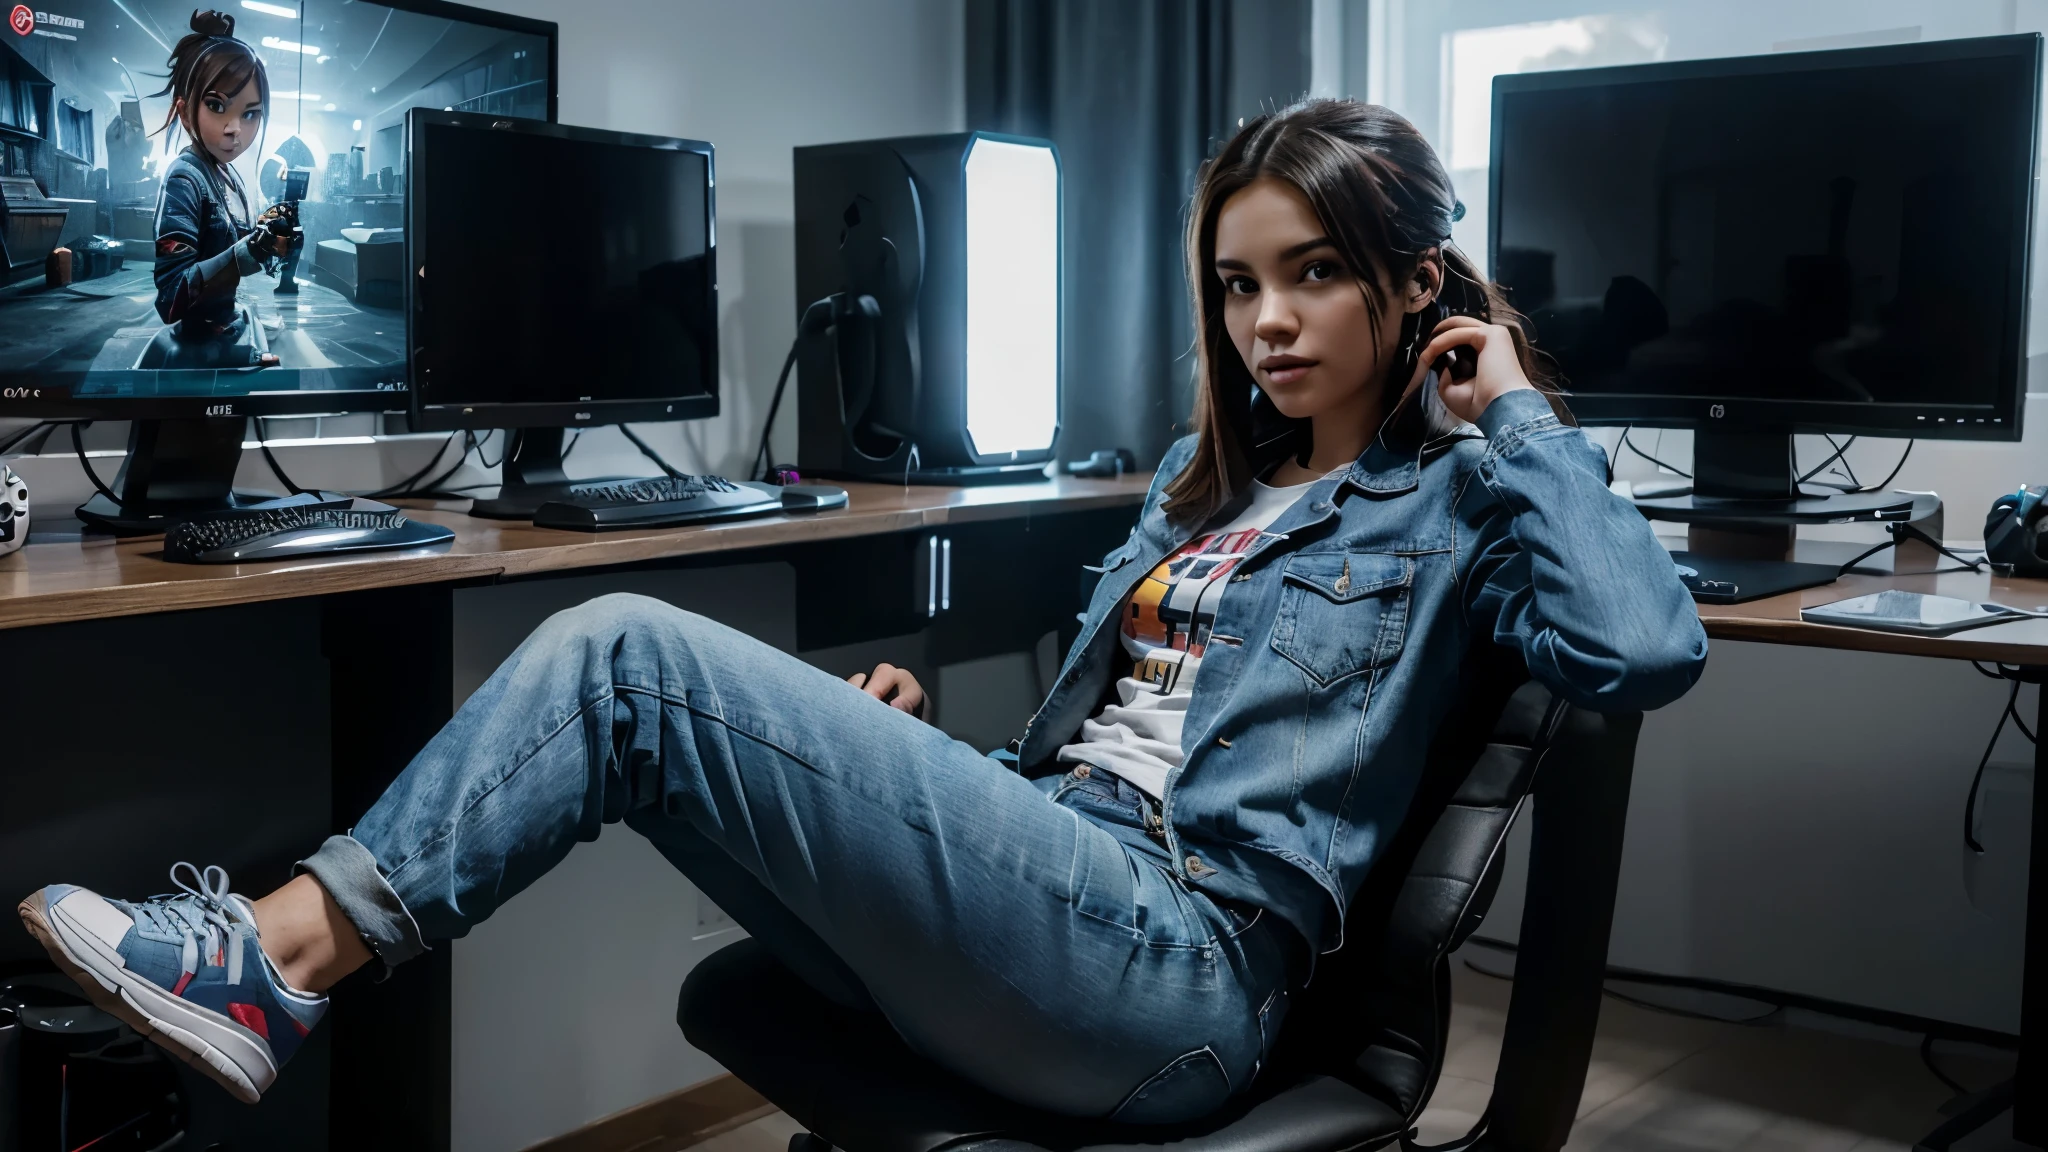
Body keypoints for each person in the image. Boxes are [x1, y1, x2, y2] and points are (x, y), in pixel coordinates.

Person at [18, 99, 1707, 1124]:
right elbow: (1122, 751)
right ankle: (274, 965)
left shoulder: (1458, 507)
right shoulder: (1199, 501)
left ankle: (275, 958)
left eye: (1314, 272)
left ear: (1417, 282)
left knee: (624, 659)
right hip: (1079, 889)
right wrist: (949, 770)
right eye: (1237, 282)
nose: (1265, 318)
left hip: (1184, 973)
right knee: (665, 720)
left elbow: (1639, 648)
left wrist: (1514, 420)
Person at [146, 9, 295, 370]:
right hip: (195, 351)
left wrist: (274, 237)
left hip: (228, 327)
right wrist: (249, 251)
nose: (235, 129)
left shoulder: (227, 175)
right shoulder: (185, 178)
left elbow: (238, 252)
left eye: (250, 113)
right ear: (184, 113)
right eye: (216, 106)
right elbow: (171, 299)